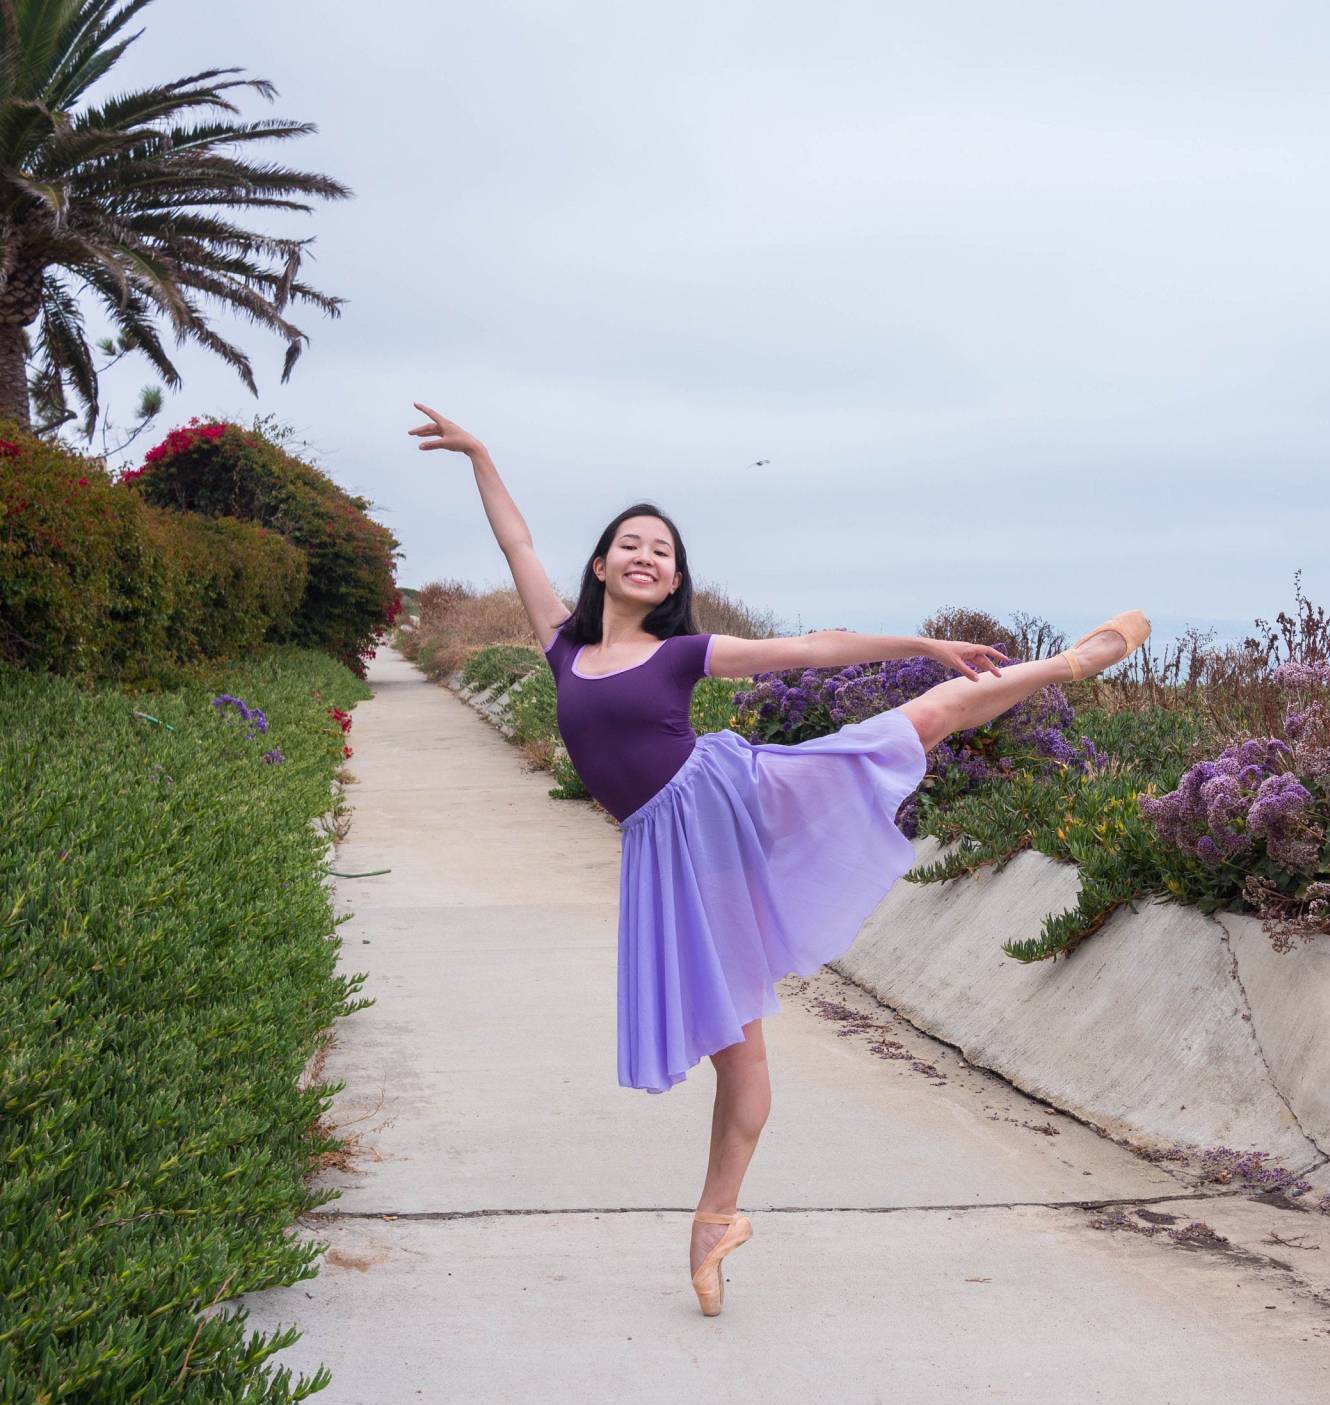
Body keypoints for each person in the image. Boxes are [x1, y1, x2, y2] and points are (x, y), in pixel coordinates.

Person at [408, 403, 1150, 1316]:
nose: (647, 558)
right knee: (741, 1059)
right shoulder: (562, 645)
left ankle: (1067, 666)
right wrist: (481, 452)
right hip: (670, 858)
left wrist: (921, 645)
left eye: (664, 552)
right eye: (630, 546)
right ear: (600, 565)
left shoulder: (679, 653)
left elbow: (811, 649)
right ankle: (715, 1221)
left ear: (674, 579)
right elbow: (515, 539)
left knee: (917, 720)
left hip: (731, 798)